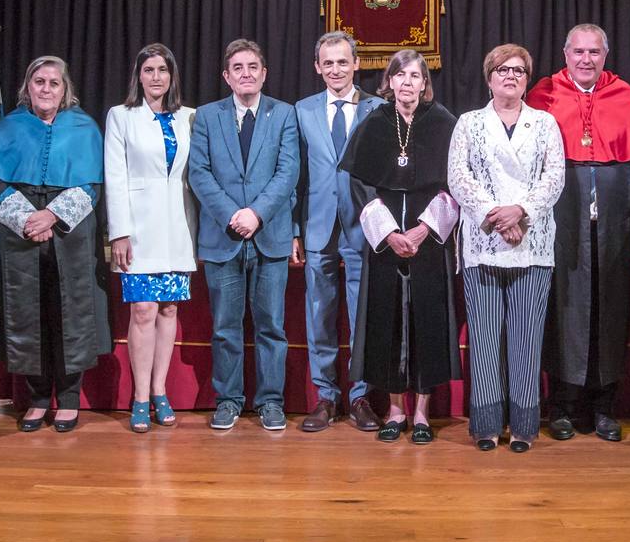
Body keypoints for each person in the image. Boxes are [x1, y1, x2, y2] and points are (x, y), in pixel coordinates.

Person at [0, 56, 108, 434]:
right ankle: (38, 398)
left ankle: (69, 397)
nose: (46, 89)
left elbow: (92, 183)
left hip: (69, 232)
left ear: (65, 90)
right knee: (29, 313)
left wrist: (53, 216)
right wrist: (27, 218)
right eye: (39, 82)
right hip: (21, 234)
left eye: (54, 83)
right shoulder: (9, 127)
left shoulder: (83, 128)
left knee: (70, 312)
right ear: (27, 87)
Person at [526, 23, 630, 442]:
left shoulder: (627, 96)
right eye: (578, 52)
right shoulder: (543, 95)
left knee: (609, 310)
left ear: (605, 55)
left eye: (594, 52)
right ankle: (561, 405)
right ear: (565, 54)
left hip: (613, 222)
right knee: (564, 309)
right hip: (563, 219)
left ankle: (604, 407)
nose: (586, 60)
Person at [448, 44, 565, 452]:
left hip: (533, 245)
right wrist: (497, 217)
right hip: (483, 243)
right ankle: (485, 425)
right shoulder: (468, 123)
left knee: (526, 338)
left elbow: (554, 179)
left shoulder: (546, 124)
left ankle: (524, 426)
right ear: (489, 77)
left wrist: (521, 213)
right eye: (502, 69)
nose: (510, 76)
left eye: (518, 70)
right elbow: (459, 178)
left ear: (527, 78)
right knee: (483, 338)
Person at [341, 48, 460, 445]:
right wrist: (390, 234)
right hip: (386, 242)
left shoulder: (443, 122)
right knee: (389, 322)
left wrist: (424, 230)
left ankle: (423, 413)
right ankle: (395, 409)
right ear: (389, 81)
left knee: (427, 320)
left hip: (430, 240)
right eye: (400, 75)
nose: (407, 83)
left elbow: (455, 184)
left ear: (425, 84)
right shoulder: (375, 122)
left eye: (415, 76)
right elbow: (360, 184)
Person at [188, 39, 300, 432]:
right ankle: (229, 399)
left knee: (271, 325)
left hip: (269, 236)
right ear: (226, 76)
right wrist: (233, 214)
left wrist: (256, 214)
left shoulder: (284, 114)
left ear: (264, 73)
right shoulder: (205, 116)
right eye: (238, 67)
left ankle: (270, 401)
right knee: (225, 326)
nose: (246, 73)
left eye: (253, 66)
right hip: (223, 236)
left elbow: (288, 173)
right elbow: (198, 173)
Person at [291, 31, 384, 433]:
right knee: (320, 316)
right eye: (327, 63)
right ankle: (326, 398)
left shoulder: (379, 109)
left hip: (363, 229)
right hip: (317, 229)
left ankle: (361, 396)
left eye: (342, 62)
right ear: (317, 67)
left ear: (356, 64)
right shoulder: (302, 110)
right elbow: (296, 176)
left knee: (362, 317)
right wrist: (295, 229)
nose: (335, 70)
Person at [104, 43, 197, 433]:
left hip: (178, 227)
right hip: (138, 228)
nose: (156, 77)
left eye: (162, 70)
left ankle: (160, 390)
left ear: (172, 75)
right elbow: (115, 175)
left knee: (169, 310)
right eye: (149, 70)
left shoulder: (190, 117)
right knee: (142, 310)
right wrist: (119, 233)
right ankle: (140, 396)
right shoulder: (121, 116)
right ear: (138, 76)